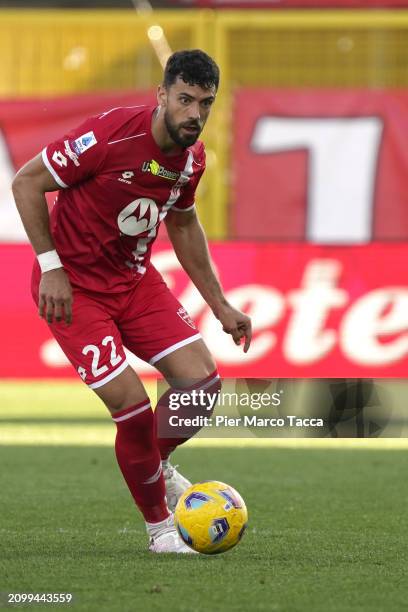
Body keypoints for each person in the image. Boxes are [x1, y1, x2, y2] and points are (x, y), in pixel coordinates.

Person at [12, 49, 252, 553]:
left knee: (201, 384)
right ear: (162, 95)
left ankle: (154, 465)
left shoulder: (192, 158)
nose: (194, 114)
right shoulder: (109, 135)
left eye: (205, 103)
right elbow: (27, 181)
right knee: (132, 407)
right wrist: (51, 267)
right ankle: (160, 529)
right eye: (184, 100)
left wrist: (221, 304)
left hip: (133, 281)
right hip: (73, 289)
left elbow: (183, 224)